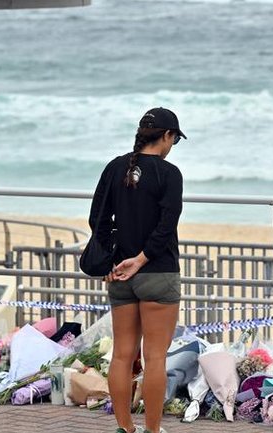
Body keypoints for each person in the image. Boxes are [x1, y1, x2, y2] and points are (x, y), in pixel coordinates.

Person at [88, 107, 186, 433]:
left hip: (120, 274)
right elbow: (165, 225)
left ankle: (125, 428)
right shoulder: (169, 174)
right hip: (157, 272)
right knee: (156, 357)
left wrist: (110, 261)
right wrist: (142, 259)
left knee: (121, 355)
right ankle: (153, 430)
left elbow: (97, 221)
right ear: (168, 136)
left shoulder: (115, 168)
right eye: (174, 138)